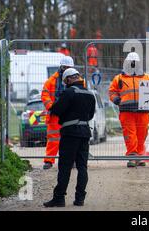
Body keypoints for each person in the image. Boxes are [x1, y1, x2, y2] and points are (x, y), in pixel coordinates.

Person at [43, 68, 96, 207]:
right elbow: (91, 115)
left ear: (68, 79)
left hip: (70, 134)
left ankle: (59, 198)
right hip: (85, 133)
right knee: (82, 167)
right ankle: (80, 199)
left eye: (66, 81)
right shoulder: (90, 94)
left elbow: (56, 110)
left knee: (65, 167)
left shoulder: (68, 92)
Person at [108, 52, 149, 168]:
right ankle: (132, 157)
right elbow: (112, 92)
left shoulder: (147, 77)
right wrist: (117, 101)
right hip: (126, 111)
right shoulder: (119, 78)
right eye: (131, 63)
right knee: (130, 134)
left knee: (141, 134)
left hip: (143, 111)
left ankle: (139, 156)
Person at [41, 56, 74, 169]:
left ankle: (71, 160)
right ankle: (49, 161)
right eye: (65, 67)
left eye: (69, 68)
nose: (67, 70)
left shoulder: (76, 80)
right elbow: (45, 95)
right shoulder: (51, 81)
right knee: (53, 138)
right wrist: (52, 107)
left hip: (69, 114)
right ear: (61, 67)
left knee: (70, 138)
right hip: (55, 114)